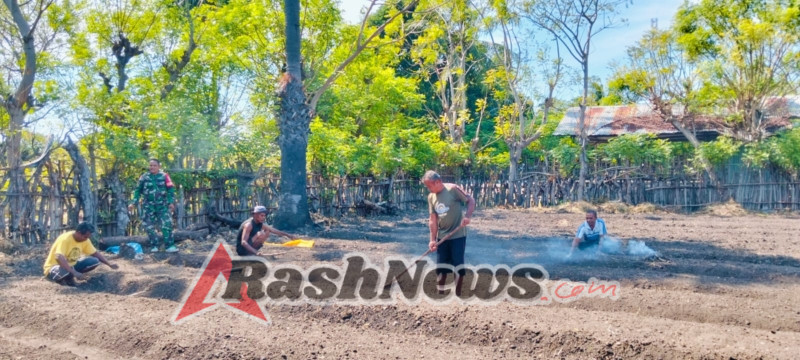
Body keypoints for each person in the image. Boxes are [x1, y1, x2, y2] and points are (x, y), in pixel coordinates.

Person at [422, 170, 475, 297]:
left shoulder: (453, 189)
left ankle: (458, 294)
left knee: (458, 264)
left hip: (458, 235)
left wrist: (467, 216)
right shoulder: (431, 197)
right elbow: (433, 220)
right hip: (442, 236)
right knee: (441, 266)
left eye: (429, 186)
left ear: (438, 182)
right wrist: (432, 240)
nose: (429, 189)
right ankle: (440, 293)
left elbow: (471, 201)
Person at [43, 222, 119, 286]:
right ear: (79, 233)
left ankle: (69, 277)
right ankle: (63, 279)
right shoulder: (65, 239)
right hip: (54, 267)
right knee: (64, 271)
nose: (87, 239)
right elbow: (58, 257)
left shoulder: (85, 240)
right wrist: (74, 272)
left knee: (94, 261)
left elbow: (95, 253)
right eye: (85, 237)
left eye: (88, 237)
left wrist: (109, 264)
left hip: (72, 266)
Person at [128, 158, 177, 253]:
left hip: (162, 206)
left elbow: (170, 189)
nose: (152, 167)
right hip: (148, 206)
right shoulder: (144, 177)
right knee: (148, 226)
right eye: (151, 165)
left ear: (159, 166)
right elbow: (137, 190)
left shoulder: (165, 176)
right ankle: (154, 245)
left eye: (154, 165)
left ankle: (169, 246)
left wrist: (171, 202)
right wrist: (133, 202)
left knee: (166, 224)